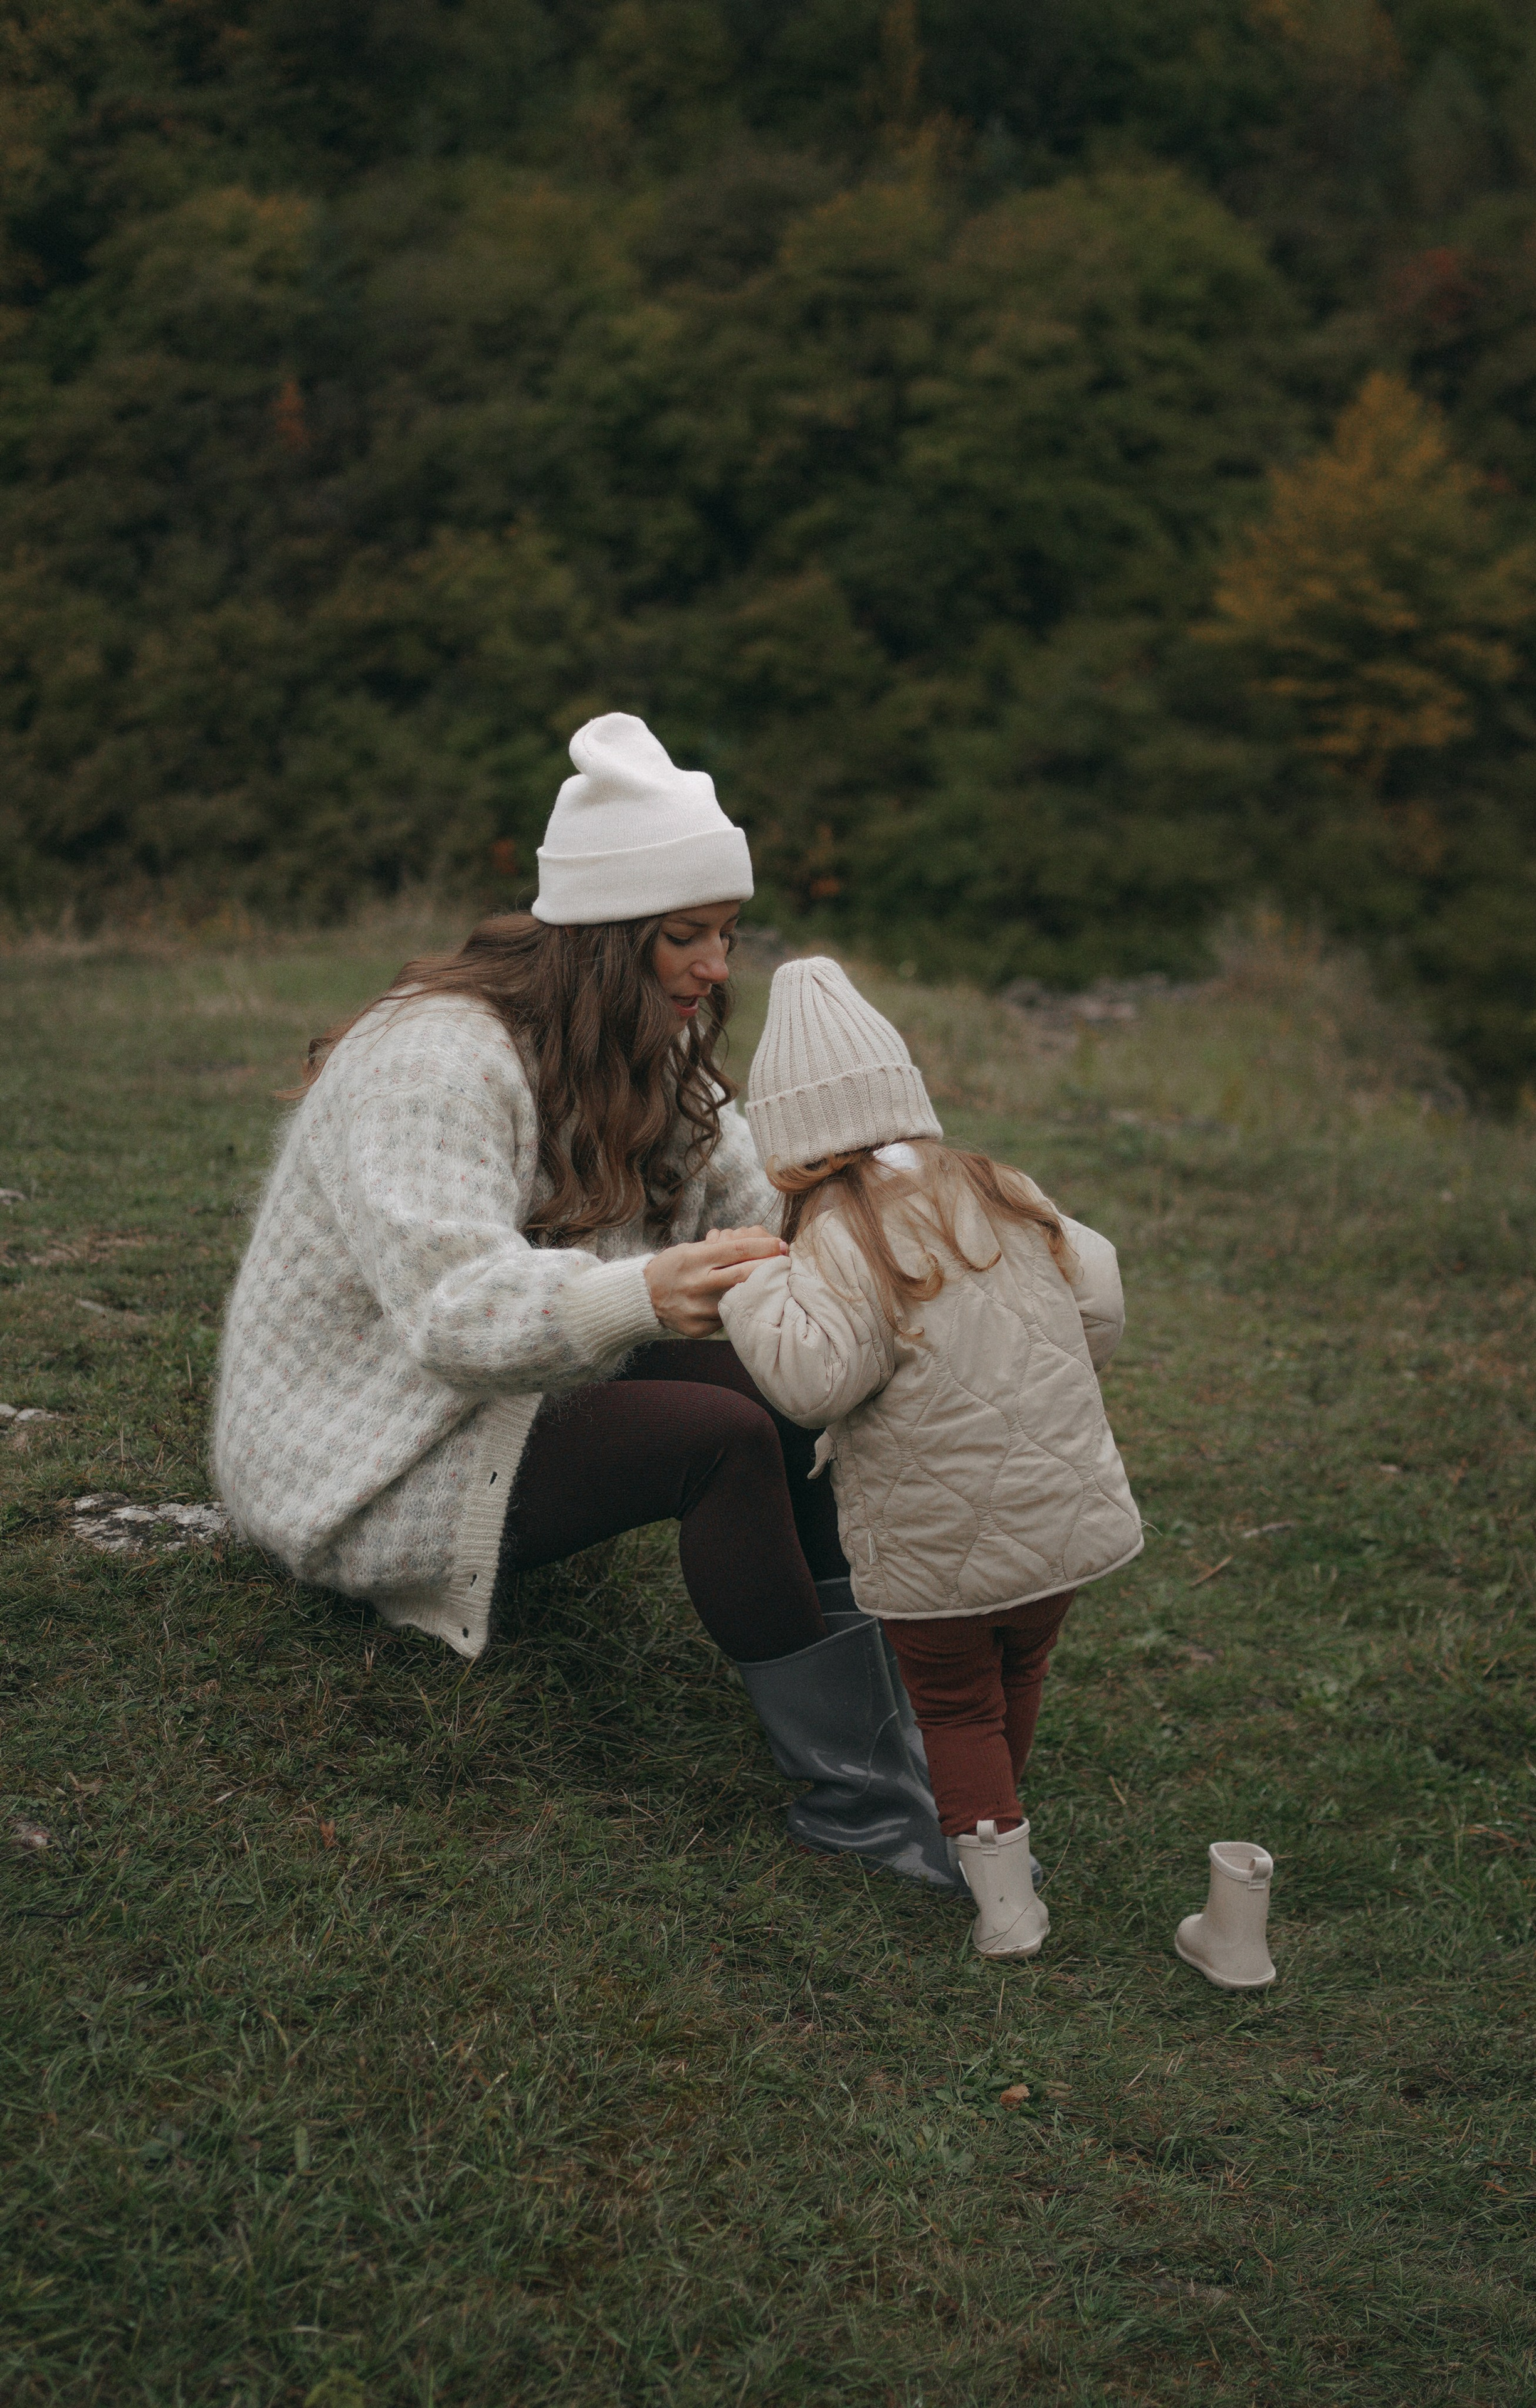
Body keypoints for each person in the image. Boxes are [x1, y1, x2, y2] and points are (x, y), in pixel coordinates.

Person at [213, 714, 960, 1889]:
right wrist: (646, 1289)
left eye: (727, 933)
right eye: (687, 936)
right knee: (717, 1440)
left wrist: (922, 1227)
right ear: (608, 941)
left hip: (519, 1387)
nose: (719, 966)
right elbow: (452, 1311)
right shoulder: (436, 1061)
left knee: (796, 1380)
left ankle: (901, 1723)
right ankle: (859, 1806)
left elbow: (761, 1185)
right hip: (374, 1444)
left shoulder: (643, 1046)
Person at [719, 957, 1144, 1958]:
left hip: (934, 1540)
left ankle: (1006, 1904)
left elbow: (814, 1385)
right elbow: (1103, 1290)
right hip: (1057, 1519)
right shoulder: (1001, 1186)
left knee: (953, 1705)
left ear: (789, 1145)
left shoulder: (834, 1236)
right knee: (1019, 1669)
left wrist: (749, 1288)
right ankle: (1003, 1807)